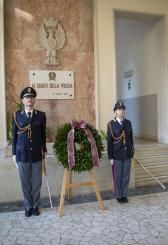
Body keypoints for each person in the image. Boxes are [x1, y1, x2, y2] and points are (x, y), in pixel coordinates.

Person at [12, 87, 47, 217]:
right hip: (22, 154)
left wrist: (44, 150)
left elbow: (43, 135)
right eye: (27, 97)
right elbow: (14, 136)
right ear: (22, 100)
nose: (29, 99)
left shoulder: (41, 115)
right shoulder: (17, 115)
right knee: (25, 182)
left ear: (34, 100)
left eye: (32, 97)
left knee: (37, 182)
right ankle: (28, 206)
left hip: (37, 154)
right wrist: (14, 154)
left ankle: (36, 206)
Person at [107, 101, 134, 204]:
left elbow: (131, 139)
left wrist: (132, 152)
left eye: (122, 109)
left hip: (127, 154)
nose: (121, 111)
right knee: (118, 176)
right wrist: (111, 157)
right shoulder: (111, 124)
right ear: (115, 111)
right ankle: (119, 195)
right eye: (119, 109)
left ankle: (124, 195)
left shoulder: (128, 123)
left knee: (126, 176)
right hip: (117, 155)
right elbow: (110, 142)